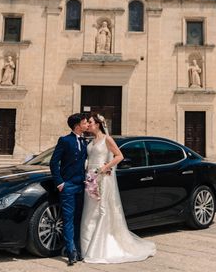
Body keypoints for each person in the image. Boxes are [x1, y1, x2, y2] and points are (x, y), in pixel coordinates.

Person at [80, 114, 156, 263]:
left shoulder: (107, 139)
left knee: (101, 210)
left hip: (102, 178)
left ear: (98, 124)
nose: (88, 124)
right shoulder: (91, 141)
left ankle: (99, 249)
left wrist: (104, 167)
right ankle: (87, 247)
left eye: (90, 122)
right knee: (89, 212)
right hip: (90, 178)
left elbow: (119, 156)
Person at [49, 113, 90, 266]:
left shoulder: (85, 141)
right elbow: (54, 163)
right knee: (68, 219)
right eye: (85, 122)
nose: (87, 125)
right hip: (68, 186)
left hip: (82, 185)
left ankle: (79, 250)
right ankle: (71, 251)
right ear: (77, 125)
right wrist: (60, 183)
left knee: (78, 219)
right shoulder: (65, 140)